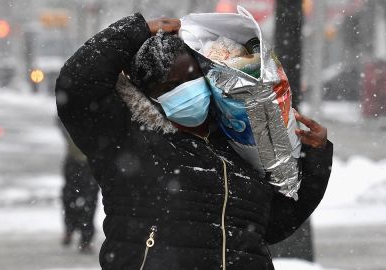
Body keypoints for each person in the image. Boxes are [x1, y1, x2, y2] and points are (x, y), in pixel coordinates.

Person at [55, 14, 333, 270]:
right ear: (148, 93)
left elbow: (274, 224)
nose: (184, 89)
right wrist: (135, 29)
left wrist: (316, 158)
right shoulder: (127, 139)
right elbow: (77, 84)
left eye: (190, 77)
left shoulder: (237, 147)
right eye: (167, 85)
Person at [57, 119, 99, 254]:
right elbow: (60, 121)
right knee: (69, 197)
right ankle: (69, 228)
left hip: (91, 162)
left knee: (90, 200)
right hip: (73, 160)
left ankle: (86, 238)